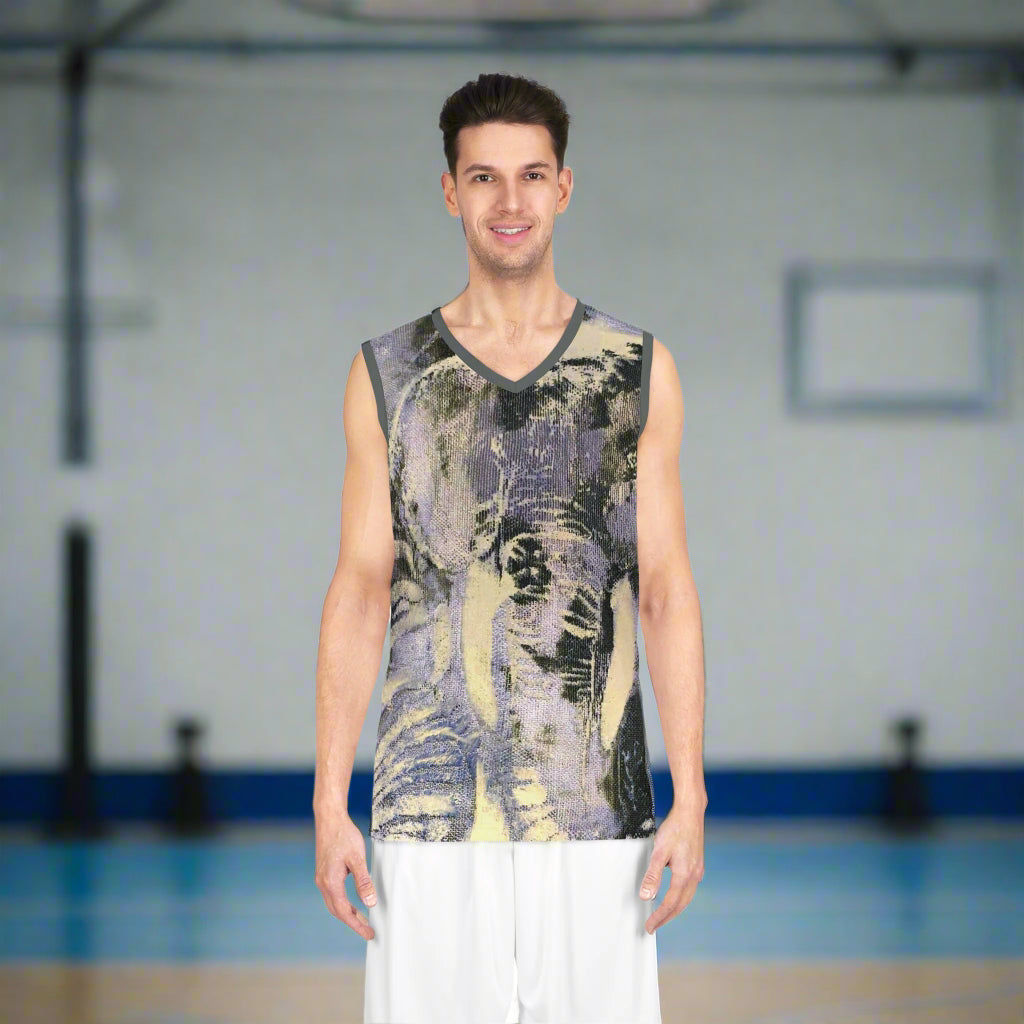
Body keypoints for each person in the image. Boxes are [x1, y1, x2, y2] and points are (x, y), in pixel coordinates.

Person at [313, 71, 707, 1024]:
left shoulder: (635, 369)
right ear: (450, 190)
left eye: (532, 175)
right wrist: (331, 801)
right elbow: (362, 590)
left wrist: (688, 796)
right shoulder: (389, 374)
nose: (511, 201)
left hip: (598, 810)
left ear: (564, 187)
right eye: (484, 178)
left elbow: (665, 591)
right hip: (427, 812)